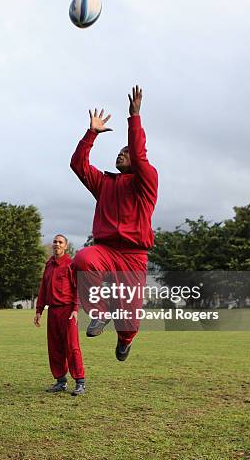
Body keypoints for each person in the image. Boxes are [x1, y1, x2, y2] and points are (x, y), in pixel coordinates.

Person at [70, 86, 158, 362]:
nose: (121, 155)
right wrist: (91, 134)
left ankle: (125, 339)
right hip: (106, 251)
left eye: (126, 152)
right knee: (83, 259)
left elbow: (140, 155)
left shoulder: (146, 182)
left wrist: (134, 117)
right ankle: (99, 313)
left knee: (129, 319)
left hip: (133, 256)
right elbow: (78, 165)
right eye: (119, 152)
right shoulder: (105, 183)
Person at [34, 234, 85, 396]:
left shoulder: (71, 265)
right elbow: (43, 289)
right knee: (55, 347)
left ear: (65, 246)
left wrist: (76, 309)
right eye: (55, 242)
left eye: (60, 242)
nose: (56, 244)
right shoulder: (49, 264)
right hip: (53, 311)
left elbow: (78, 288)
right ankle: (61, 381)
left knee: (71, 346)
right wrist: (39, 310)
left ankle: (80, 382)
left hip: (68, 311)